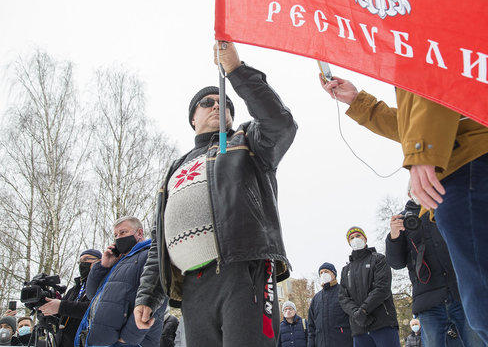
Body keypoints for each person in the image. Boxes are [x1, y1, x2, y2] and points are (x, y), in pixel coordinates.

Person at [321, 77, 488, 346]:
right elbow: (413, 124)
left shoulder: (417, 47)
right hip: (481, 157)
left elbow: (435, 81)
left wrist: (424, 152)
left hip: (470, 162)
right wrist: (358, 101)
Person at [134, 41, 298, 347]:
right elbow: (160, 241)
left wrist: (236, 71)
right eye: (207, 102)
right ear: (192, 118)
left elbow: (280, 123)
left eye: (223, 102)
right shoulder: (175, 168)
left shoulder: (247, 141)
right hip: (193, 287)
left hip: (243, 273)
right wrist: (148, 293)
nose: (217, 105)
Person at [386, 200, 483, 347]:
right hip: (428, 300)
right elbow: (396, 263)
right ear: (409, 194)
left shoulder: (446, 205)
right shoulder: (403, 220)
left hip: (460, 292)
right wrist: (394, 237)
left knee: (476, 342)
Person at [79, 216, 166, 347]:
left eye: (123, 232)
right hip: (104, 340)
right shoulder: (118, 262)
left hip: (131, 342)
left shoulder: (149, 256)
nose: (119, 237)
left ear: (140, 233)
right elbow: (92, 294)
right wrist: (103, 266)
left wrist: (129, 337)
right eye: (116, 235)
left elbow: (156, 298)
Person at [338, 227, 401, 347]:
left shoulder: (379, 259)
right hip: (359, 329)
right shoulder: (346, 270)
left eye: (358, 236)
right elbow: (343, 298)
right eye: (352, 238)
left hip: (383, 324)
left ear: (365, 238)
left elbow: (382, 288)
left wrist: (364, 310)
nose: (355, 239)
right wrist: (357, 313)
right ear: (349, 243)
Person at [38, 249, 102, 347]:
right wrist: (47, 313)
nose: (82, 264)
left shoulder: (102, 285)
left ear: (99, 261)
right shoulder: (74, 290)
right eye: (80, 261)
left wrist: (61, 306)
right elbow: (63, 316)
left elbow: (93, 310)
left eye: (86, 259)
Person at [307, 262, 353, 347]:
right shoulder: (316, 298)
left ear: (334, 274)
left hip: (343, 342)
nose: (323, 274)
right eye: (321, 273)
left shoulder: (343, 292)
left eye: (326, 271)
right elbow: (311, 327)